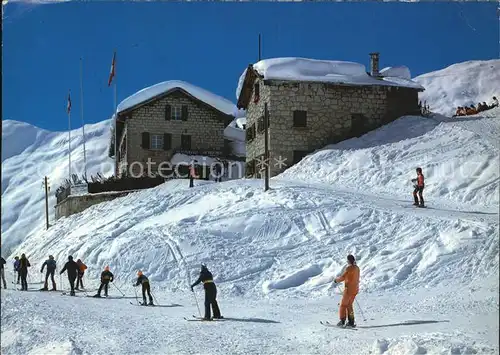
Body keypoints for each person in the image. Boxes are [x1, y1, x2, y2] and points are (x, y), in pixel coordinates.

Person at [334, 254, 360, 327]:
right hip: (355, 289)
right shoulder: (357, 268)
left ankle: (342, 321)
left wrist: (336, 280)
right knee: (349, 305)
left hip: (348, 290)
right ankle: (351, 322)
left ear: (348, 261)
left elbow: (343, 277)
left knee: (343, 305)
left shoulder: (349, 268)